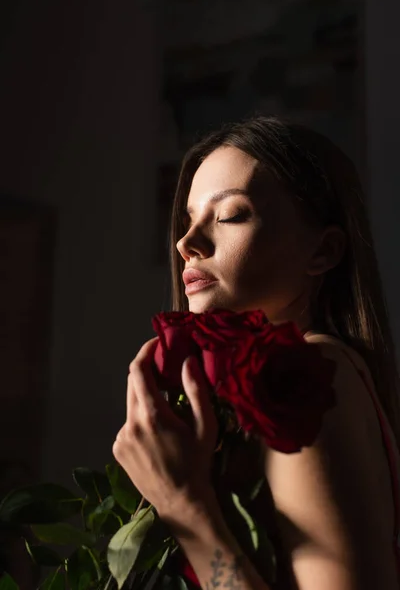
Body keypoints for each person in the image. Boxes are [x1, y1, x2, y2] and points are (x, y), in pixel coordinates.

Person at [113, 115, 400, 590]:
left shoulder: (308, 379)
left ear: (323, 251)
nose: (187, 244)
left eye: (229, 215)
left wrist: (182, 505)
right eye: (188, 220)